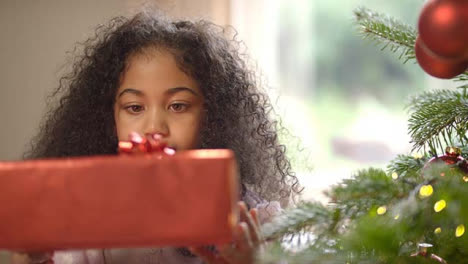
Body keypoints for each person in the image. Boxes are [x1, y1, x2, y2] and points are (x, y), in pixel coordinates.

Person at [13, 9, 300, 264]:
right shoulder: (83, 224)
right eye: (134, 107)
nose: (155, 128)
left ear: (213, 117)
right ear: (109, 118)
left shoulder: (251, 222)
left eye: (178, 106)